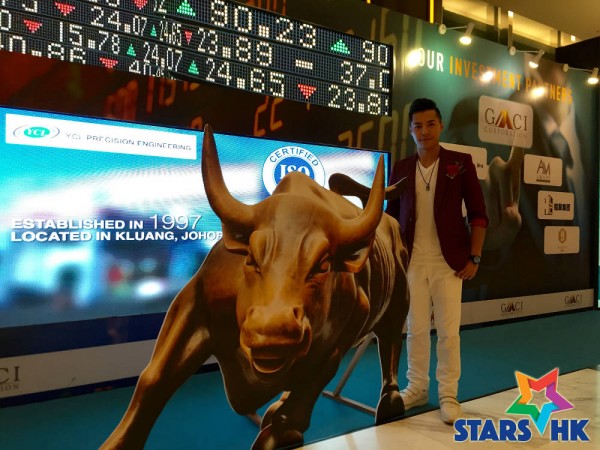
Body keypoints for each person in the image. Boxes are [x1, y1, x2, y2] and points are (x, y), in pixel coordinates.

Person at [386, 98, 488, 424]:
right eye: (418, 125)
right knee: (415, 330)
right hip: (412, 263)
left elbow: (479, 215)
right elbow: (390, 218)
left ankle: (448, 394)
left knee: (448, 332)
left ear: (441, 126)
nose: (425, 131)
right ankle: (417, 387)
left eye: (430, 124)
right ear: (410, 130)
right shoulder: (401, 168)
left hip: (450, 263)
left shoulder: (461, 162)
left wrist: (474, 256)